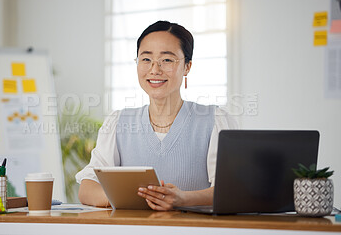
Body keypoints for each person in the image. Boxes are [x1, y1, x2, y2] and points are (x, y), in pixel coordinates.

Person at [75, 20, 237, 211]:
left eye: (167, 60)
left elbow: (230, 191)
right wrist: (128, 198)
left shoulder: (215, 120)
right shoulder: (118, 122)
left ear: (187, 67)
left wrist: (183, 199)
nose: (155, 69)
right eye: (146, 59)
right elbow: (87, 187)